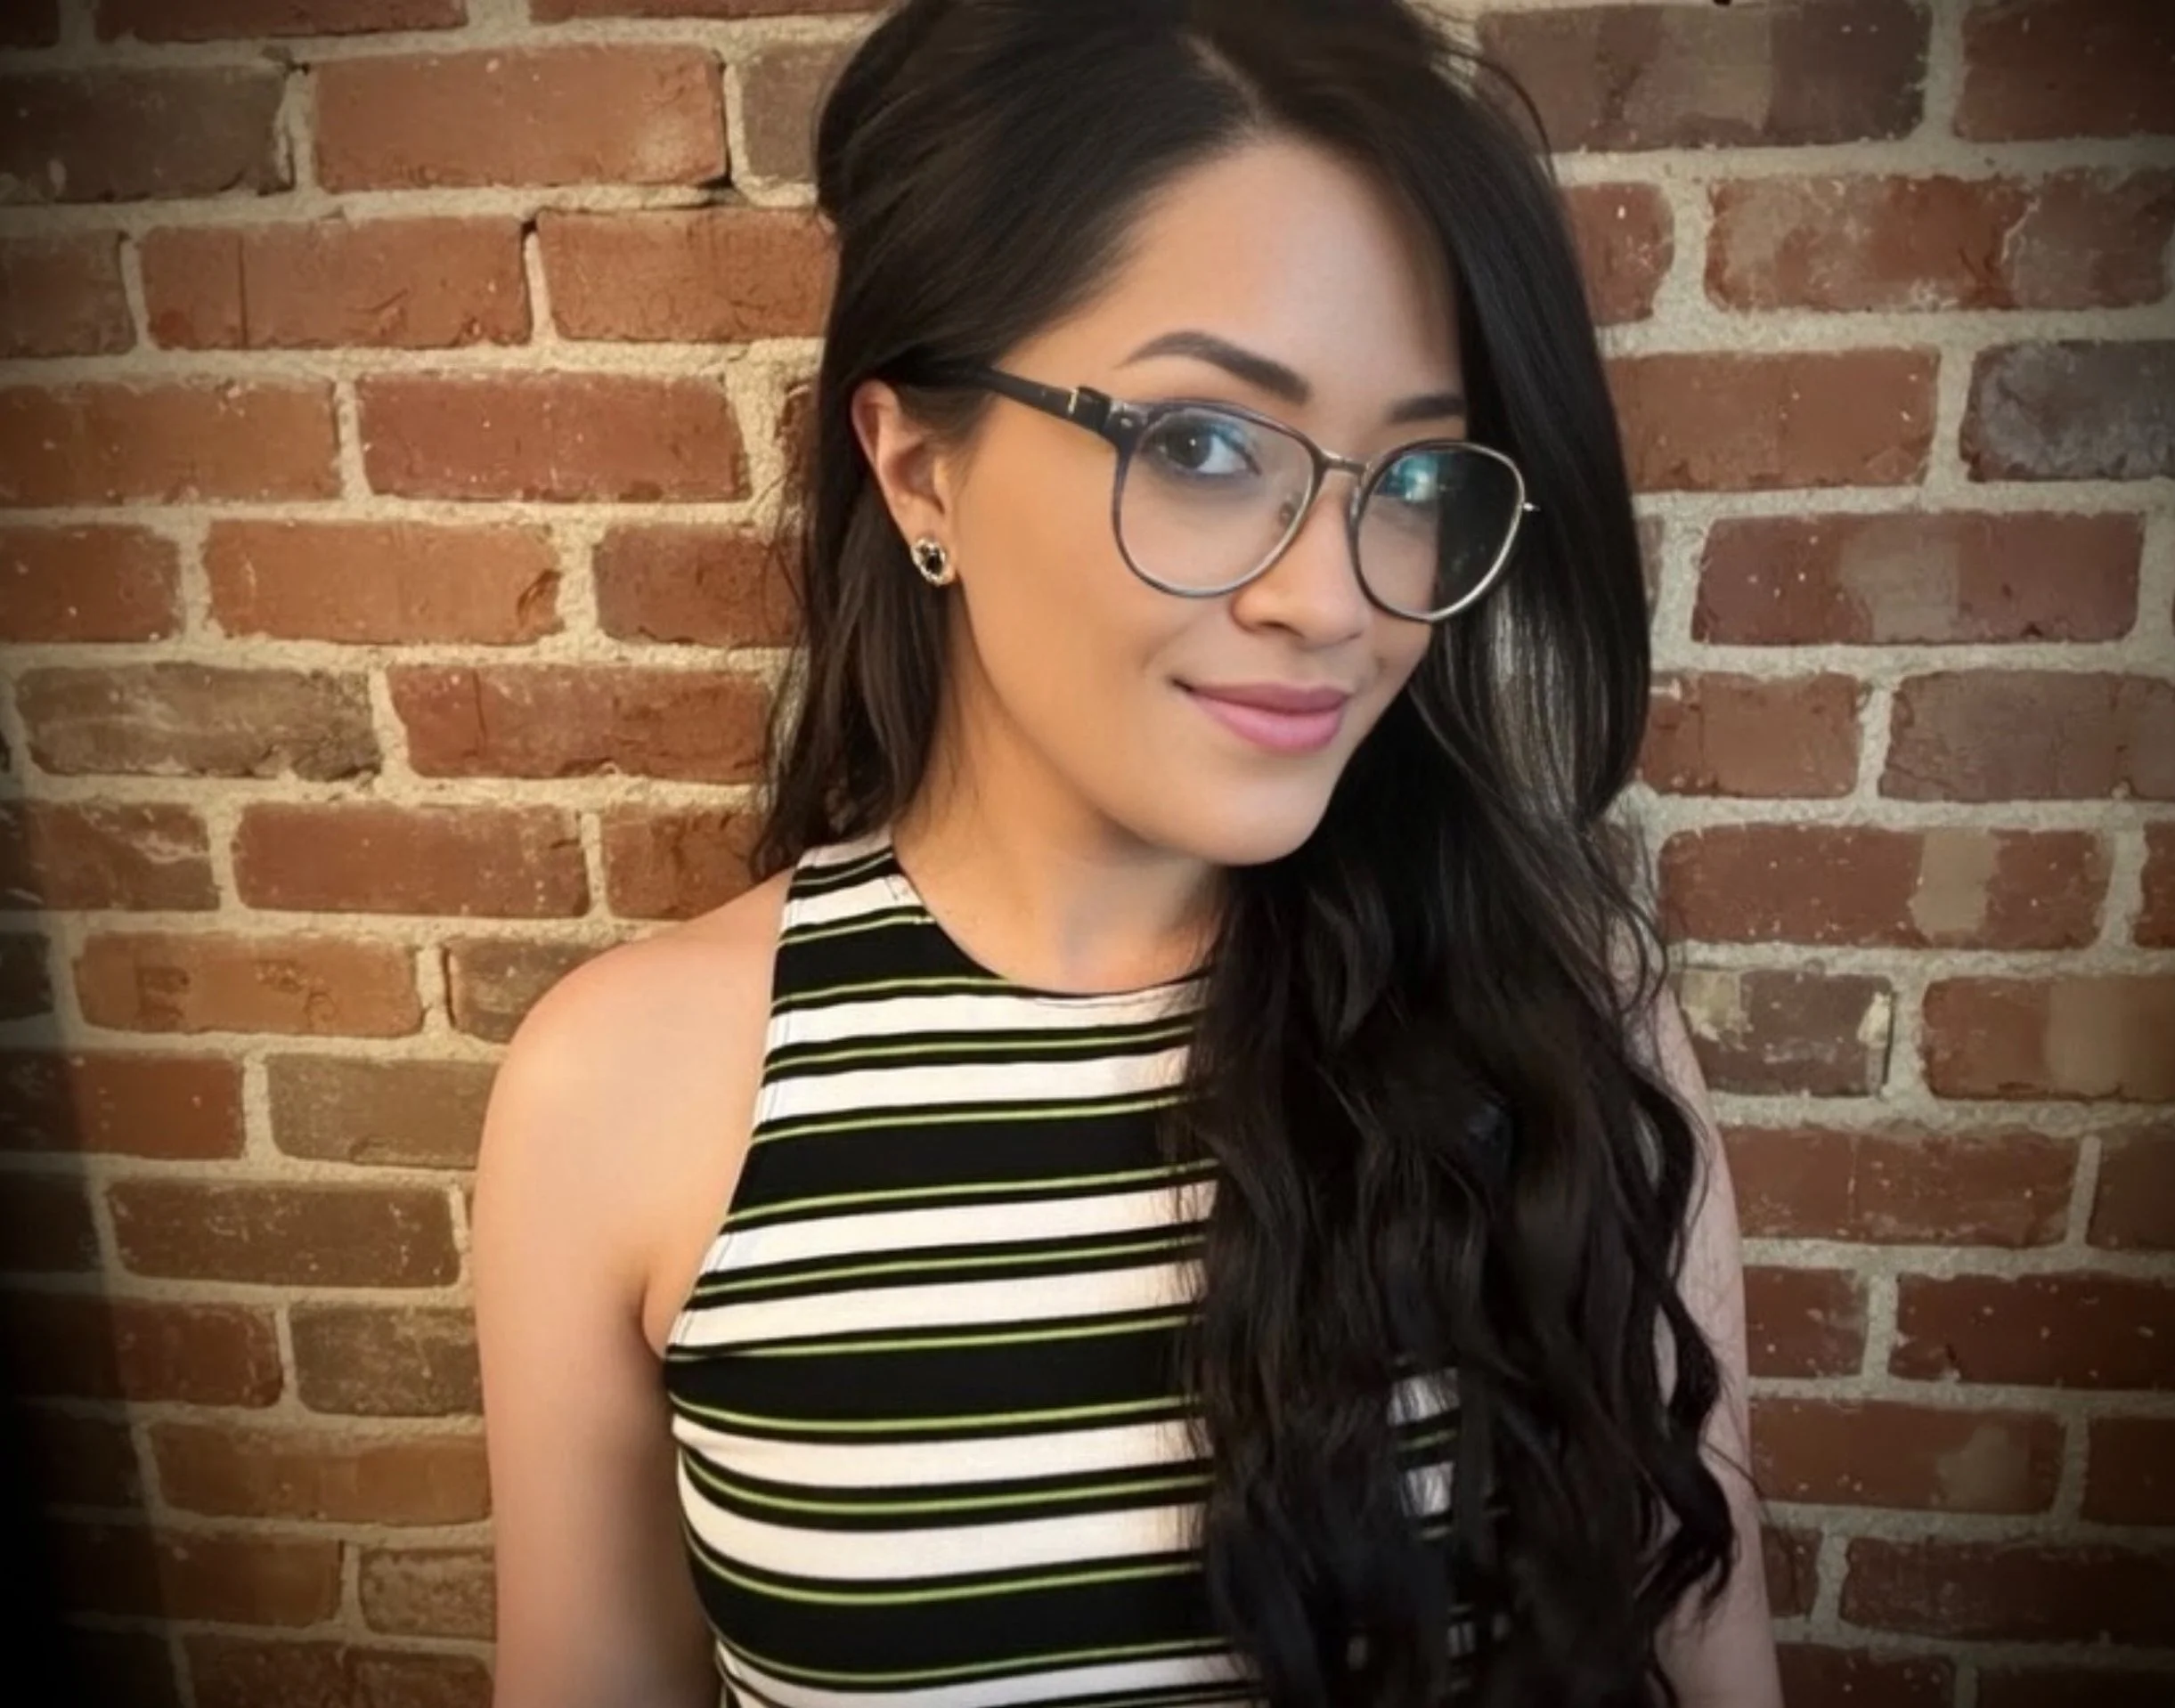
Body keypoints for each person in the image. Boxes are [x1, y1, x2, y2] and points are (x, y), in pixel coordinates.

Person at [472, 2, 1784, 1704]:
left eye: (1409, 476)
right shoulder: (631, 1090)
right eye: (1204, 447)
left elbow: (1713, 1668)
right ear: (919, 462)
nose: (1331, 597)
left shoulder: (1562, 1027)